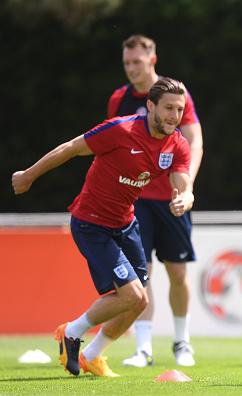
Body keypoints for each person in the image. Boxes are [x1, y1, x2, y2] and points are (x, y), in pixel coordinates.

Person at [12, 78, 194, 377]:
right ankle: (70, 331)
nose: (175, 116)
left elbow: (182, 180)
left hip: (126, 224)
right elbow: (71, 147)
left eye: (180, 109)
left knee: (138, 302)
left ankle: (92, 355)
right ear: (150, 105)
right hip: (91, 224)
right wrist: (29, 175)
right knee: (133, 296)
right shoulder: (120, 130)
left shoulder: (176, 143)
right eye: (169, 108)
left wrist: (185, 198)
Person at [108, 34, 204, 368]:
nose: (131, 68)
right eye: (127, 63)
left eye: (137, 62)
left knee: (177, 272)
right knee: (140, 273)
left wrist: (186, 188)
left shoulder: (176, 97)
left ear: (153, 60)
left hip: (170, 199)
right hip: (134, 202)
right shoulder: (119, 99)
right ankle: (143, 348)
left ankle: (182, 342)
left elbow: (194, 143)